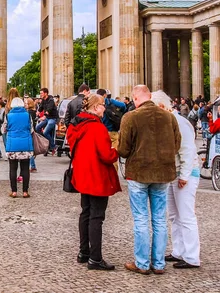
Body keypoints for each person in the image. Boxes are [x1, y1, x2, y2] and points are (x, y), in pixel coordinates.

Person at [117, 85, 181, 275]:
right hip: (162, 173)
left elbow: (123, 149)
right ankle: (159, 264)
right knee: (160, 219)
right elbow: (176, 144)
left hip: (138, 173)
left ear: (135, 98)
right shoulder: (168, 117)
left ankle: (143, 263)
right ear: (150, 96)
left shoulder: (130, 117)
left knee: (141, 219)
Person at [66, 94, 120, 271]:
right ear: (96, 107)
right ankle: (95, 258)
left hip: (82, 174)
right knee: (97, 217)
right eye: (103, 105)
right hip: (96, 176)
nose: (105, 108)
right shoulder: (97, 128)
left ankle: (84, 252)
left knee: (86, 213)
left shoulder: (76, 125)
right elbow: (106, 155)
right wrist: (116, 151)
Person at [150, 91, 200, 269]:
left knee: (186, 215)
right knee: (174, 215)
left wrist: (185, 176)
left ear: (163, 107)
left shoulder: (180, 122)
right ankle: (179, 251)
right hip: (174, 173)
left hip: (184, 173)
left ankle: (192, 256)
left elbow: (187, 150)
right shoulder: (168, 121)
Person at [4, 97, 33, 198]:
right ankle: (25, 191)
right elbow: (32, 129)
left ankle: (14, 191)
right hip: (26, 145)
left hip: (12, 146)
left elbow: (3, 129)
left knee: (13, 169)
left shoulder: (8, 116)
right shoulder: (28, 115)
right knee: (25, 169)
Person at [36, 88, 58, 153]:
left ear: (46, 93)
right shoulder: (43, 100)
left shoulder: (51, 100)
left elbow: (49, 110)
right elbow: (40, 108)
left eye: (41, 93)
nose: (40, 95)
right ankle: (45, 141)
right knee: (37, 127)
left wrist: (44, 116)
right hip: (47, 118)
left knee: (45, 132)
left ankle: (53, 146)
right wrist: (37, 112)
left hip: (53, 118)